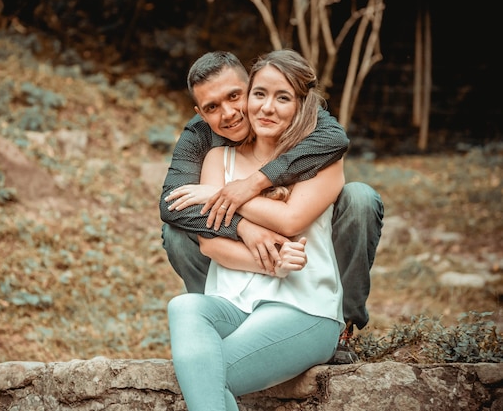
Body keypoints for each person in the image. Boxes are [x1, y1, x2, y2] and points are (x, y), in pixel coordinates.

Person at [159, 51, 384, 362]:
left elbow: (336, 139)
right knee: (175, 235)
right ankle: (217, 318)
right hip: (237, 237)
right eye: (212, 107)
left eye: (235, 96)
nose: (229, 113)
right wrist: (243, 228)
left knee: (360, 198)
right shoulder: (199, 135)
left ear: (252, 86)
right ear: (200, 112)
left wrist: (250, 185)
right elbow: (173, 204)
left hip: (306, 227)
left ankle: (342, 327)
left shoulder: (288, 109)